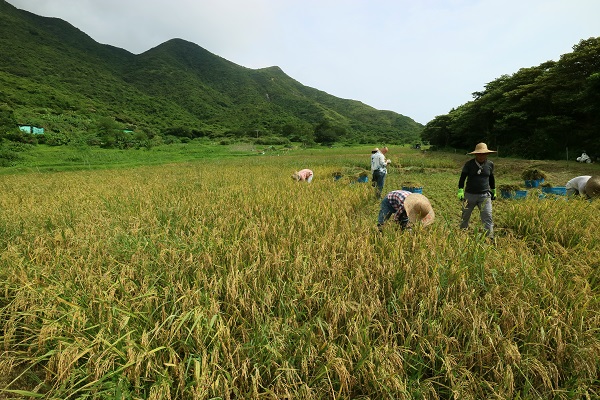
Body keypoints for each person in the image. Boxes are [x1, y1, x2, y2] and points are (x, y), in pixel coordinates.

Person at [458, 142, 496, 239]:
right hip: (470, 195)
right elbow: (462, 178)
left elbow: (491, 178)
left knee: (487, 216)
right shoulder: (469, 164)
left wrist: (494, 190)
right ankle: (462, 234)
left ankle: (489, 238)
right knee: (465, 216)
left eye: (483, 154)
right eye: (479, 154)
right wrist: (460, 190)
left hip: (485, 196)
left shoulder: (490, 164)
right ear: (475, 154)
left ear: (487, 154)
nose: (481, 156)